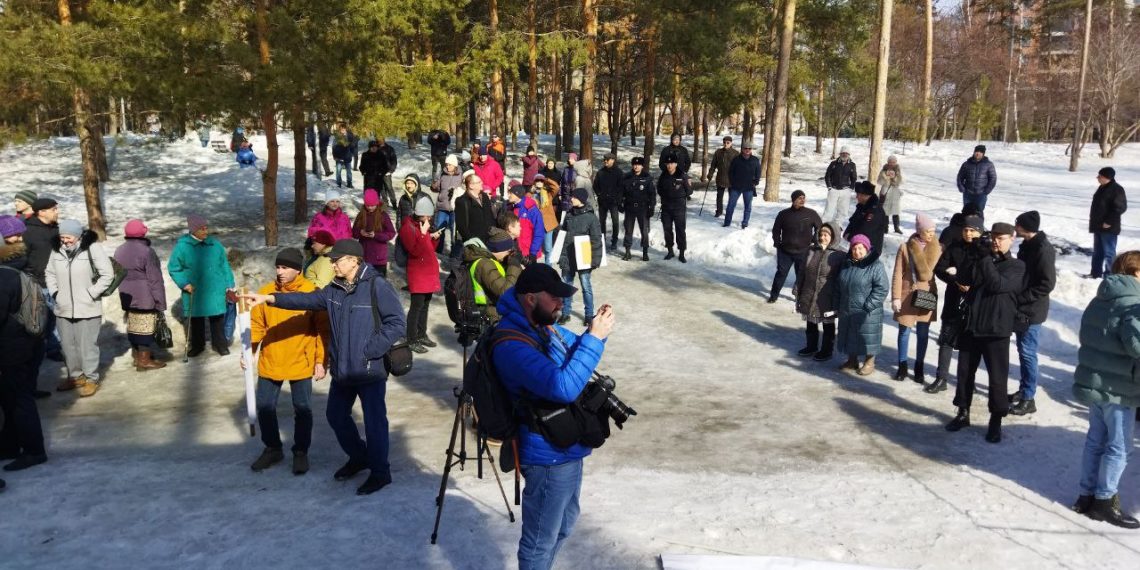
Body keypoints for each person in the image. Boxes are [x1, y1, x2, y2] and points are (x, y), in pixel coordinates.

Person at [241, 240, 405, 496]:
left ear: (354, 261)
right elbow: (305, 299)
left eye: (336, 260)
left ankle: (380, 472)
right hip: (342, 370)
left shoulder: (377, 285)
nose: (332, 264)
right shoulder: (335, 288)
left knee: (374, 423)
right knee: (336, 416)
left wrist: (370, 350)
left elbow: (396, 323)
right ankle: (359, 456)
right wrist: (268, 298)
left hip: (368, 370)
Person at [491, 264, 615, 570]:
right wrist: (594, 340)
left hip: (565, 447)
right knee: (539, 540)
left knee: (564, 524)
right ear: (531, 298)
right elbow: (562, 388)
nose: (562, 303)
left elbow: (576, 348)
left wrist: (594, 330)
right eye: (555, 297)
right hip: (546, 455)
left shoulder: (541, 325)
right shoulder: (511, 344)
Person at [1070, 250, 1140, 529]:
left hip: (1096, 385)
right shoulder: (1132, 303)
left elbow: (1087, 334)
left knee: (1095, 441)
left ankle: (1085, 495)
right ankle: (1104, 500)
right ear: (1135, 273)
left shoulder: (1100, 298)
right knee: (1120, 448)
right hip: (1119, 388)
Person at [246, 248, 328, 476]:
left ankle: (301, 452)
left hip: (300, 360)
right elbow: (256, 326)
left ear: (298, 270)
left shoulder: (312, 294)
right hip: (271, 358)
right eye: (278, 267)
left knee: (303, 409)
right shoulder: (265, 293)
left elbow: (323, 330)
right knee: (264, 407)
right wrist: (249, 351)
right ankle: (272, 448)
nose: (280, 272)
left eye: (285, 268)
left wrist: (321, 360)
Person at [945, 222, 1025, 444]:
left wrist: (984, 260)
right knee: (964, 373)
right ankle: (962, 412)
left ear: (1012, 239)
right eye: (994, 238)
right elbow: (965, 280)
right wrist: (973, 255)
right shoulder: (982, 258)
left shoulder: (1016, 266)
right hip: (972, 325)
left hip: (996, 329)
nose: (996, 242)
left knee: (997, 379)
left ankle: (996, 420)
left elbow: (996, 284)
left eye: (1001, 238)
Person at [0, 214, 48, 472]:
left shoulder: (3, 276)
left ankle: (34, 450)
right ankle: (9, 444)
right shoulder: (18, 268)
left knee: (19, 399)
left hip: (13, 348)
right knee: (9, 398)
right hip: (28, 343)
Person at [46, 219, 114, 397]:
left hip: (88, 307)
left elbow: (108, 274)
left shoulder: (93, 248)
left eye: (68, 237)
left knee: (87, 346)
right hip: (63, 306)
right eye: (62, 237)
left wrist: (91, 293)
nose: (65, 241)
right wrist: (55, 293)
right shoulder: (56, 250)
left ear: (78, 235)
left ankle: (91, 378)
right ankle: (75, 376)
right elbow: (49, 273)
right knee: (68, 345)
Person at [927, 214, 986, 394]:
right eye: (966, 230)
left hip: (975, 302)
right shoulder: (955, 247)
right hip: (954, 298)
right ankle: (941, 377)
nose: (968, 234)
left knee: (970, 345)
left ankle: (968, 380)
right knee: (946, 340)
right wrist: (954, 280)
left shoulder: (985, 250)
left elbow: (989, 275)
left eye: (972, 231)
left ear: (979, 232)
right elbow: (939, 268)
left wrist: (974, 286)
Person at [168, 214, 236, 358]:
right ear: (193, 230)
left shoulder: (215, 245)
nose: (205, 232)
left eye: (206, 228)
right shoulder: (182, 247)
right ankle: (198, 346)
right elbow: (174, 268)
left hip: (215, 288)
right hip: (195, 289)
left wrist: (229, 284)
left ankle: (220, 345)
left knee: (217, 318)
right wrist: (184, 283)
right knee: (196, 319)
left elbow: (225, 265)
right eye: (201, 229)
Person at [1010, 210, 1055, 416]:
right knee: (1023, 351)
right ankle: (1024, 390)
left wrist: (1023, 297)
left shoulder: (1042, 250)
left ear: (1025, 227)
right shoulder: (1028, 245)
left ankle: (1029, 398)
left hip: (1032, 309)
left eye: (1017, 224)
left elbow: (1047, 283)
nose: (1015, 227)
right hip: (1023, 307)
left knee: (1028, 353)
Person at [890, 213, 941, 384]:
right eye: (928, 231)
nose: (931, 234)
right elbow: (898, 273)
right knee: (904, 331)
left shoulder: (937, 248)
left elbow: (943, 268)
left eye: (933, 231)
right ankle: (902, 365)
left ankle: (919, 366)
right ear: (919, 230)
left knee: (923, 333)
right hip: (907, 294)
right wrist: (896, 297)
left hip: (926, 294)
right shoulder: (905, 247)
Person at [114, 219, 168, 372]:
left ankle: (137, 357)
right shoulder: (146, 251)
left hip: (126, 294)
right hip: (145, 295)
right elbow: (155, 278)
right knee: (145, 326)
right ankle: (144, 360)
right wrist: (160, 302)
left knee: (133, 325)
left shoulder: (119, 250)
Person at [835, 234, 888, 376]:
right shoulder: (847, 264)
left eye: (860, 248)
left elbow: (882, 288)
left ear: (867, 248)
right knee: (850, 334)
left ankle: (869, 362)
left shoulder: (875, 266)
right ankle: (852, 360)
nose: (857, 251)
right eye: (854, 248)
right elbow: (839, 285)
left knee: (868, 337)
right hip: (848, 307)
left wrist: (868, 305)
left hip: (867, 311)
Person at [400, 197, 444, 353]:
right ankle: (411, 339)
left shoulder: (422, 226)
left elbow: (428, 248)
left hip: (428, 271)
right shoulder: (407, 228)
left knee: (425, 305)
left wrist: (434, 238)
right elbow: (415, 251)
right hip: (418, 273)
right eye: (427, 216)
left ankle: (421, 334)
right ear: (420, 214)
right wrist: (425, 234)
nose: (430, 218)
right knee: (416, 307)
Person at [795, 222, 844, 361]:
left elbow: (842, 277)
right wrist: (798, 287)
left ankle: (826, 350)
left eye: (826, 235)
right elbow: (802, 271)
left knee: (827, 323)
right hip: (809, 291)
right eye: (821, 234)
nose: (823, 237)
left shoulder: (840, 254)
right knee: (810, 320)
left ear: (833, 236)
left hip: (827, 295)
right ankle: (811, 346)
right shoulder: (811, 250)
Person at [22, 198, 61, 361]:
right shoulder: (27, 231)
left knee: (57, 317)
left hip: (57, 282)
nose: (57, 211)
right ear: (42, 212)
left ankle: (55, 349)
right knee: (41, 320)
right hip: (37, 283)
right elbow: (23, 257)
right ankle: (45, 349)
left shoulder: (55, 229)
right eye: (54, 209)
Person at [558, 188, 603, 326]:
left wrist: (595, 260)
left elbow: (596, 240)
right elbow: (562, 236)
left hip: (583, 258)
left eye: (574, 197)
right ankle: (565, 313)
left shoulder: (591, 218)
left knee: (586, 287)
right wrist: (560, 255)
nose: (571, 199)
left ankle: (589, 315)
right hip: (568, 256)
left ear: (581, 199)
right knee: (566, 286)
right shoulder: (569, 215)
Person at [769, 190, 823, 304]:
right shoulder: (783, 214)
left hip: (803, 251)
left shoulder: (811, 214)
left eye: (803, 198)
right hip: (785, 251)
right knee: (781, 273)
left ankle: (799, 298)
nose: (802, 200)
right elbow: (776, 230)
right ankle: (773, 295)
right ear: (793, 200)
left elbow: (820, 227)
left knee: (801, 275)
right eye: (799, 198)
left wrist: (815, 239)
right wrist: (777, 243)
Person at [462, 227, 523, 322]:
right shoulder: (485, 264)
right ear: (498, 250)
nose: (509, 254)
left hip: (487, 312)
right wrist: (513, 265)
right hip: (487, 316)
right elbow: (505, 292)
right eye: (508, 251)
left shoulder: (489, 260)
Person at [1088, 167, 1127, 279]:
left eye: (1099, 176)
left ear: (1106, 177)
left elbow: (1120, 208)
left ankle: (1110, 275)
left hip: (1109, 227)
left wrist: (1109, 222)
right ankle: (1095, 274)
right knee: (1097, 252)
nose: (1097, 178)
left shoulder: (1117, 189)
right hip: (1098, 226)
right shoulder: (1102, 188)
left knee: (1109, 253)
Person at [353, 189, 397, 278]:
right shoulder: (361, 215)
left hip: (379, 258)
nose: (370, 208)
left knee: (379, 283)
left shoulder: (383, 215)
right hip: (364, 256)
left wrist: (376, 235)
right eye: (368, 205)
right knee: (364, 283)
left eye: (372, 205)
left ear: (377, 203)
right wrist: (360, 232)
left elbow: (391, 233)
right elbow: (354, 232)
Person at [657, 155, 691, 262]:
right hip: (666, 207)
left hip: (679, 208)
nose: (669, 166)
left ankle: (681, 253)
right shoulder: (663, 176)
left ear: (676, 164)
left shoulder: (682, 175)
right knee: (667, 230)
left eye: (671, 163)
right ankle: (670, 251)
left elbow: (689, 191)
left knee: (680, 230)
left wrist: (679, 194)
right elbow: (659, 189)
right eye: (668, 164)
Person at [621, 157, 654, 262]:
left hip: (643, 208)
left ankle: (645, 252)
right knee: (628, 230)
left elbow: (652, 194)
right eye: (634, 164)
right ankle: (627, 251)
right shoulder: (626, 177)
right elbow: (620, 192)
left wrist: (651, 207)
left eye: (638, 165)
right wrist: (620, 203)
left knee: (644, 230)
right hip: (629, 207)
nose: (636, 166)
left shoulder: (647, 178)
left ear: (642, 166)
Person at [724, 141, 762, 229]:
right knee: (730, 206)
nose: (747, 150)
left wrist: (756, 182)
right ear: (742, 149)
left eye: (749, 148)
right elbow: (730, 172)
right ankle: (727, 223)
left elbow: (758, 172)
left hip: (749, 187)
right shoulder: (736, 159)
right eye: (745, 148)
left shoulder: (755, 160)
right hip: (736, 187)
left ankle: (745, 223)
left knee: (748, 207)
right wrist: (732, 182)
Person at [844, 181, 889, 255]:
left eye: (858, 194)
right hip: (857, 246)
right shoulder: (862, 206)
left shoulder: (875, 210)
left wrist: (850, 236)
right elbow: (853, 221)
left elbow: (866, 230)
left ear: (865, 195)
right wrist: (847, 233)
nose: (856, 197)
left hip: (868, 249)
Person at [433, 154, 464, 257]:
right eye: (446, 164)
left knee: (454, 231)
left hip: (455, 207)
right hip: (442, 206)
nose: (447, 166)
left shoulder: (461, 175)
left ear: (455, 165)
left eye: (449, 164)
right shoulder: (442, 174)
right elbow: (436, 188)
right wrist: (434, 184)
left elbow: (464, 188)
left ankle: (454, 252)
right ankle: (438, 250)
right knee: (439, 229)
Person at [455, 172, 497, 246]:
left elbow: (490, 216)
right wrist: (471, 241)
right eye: (479, 182)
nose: (482, 183)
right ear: (471, 185)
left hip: (489, 240)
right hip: (474, 243)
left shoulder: (485, 197)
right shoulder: (462, 201)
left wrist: (493, 233)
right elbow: (461, 226)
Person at [508, 182, 546, 264]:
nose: (508, 196)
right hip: (515, 251)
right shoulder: (511, 208)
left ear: (517, 195)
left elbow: (539, 233)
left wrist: (533, 252)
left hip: (528, 253)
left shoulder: (532, 210)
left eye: (511, 193)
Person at [593, 153, 624, 250]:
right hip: (603, 201)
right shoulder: (600, 172)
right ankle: (602, 240)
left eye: (607, 159)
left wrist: (618, 199)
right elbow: (595, 185)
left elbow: (622, 187)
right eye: (604, 159)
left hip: (614, 202)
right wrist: (599, 194)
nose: (605, 161)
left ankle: (614, 241)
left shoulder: (619, 173)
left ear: (613, 160)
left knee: (615, 222)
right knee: (602, 222)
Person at [956, 144, 997, 214]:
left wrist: (987, 191)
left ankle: (979, 225)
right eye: (976, 152)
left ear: (983, 154)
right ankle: (966, 225)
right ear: (974, 152)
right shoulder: (966, 164)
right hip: (968, 193)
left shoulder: (989, 164)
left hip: (981, 194)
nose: (978, 153)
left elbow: (993, 178)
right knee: (966, 212)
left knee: (979, 212)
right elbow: (960, 177)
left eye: (980, 152)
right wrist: (962, 188)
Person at [705, 136, 739, 218]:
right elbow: (713, 165)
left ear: (731, 143)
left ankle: (730, 211)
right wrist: (710, 174)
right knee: (719, 196)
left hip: (732, 179)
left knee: (732, 197)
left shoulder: (736, 153)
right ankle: (719, 211)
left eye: (728, 143)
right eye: (724, 142)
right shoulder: (718, 152)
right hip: (721, 177)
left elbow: (739, 166)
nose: (726, 144)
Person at [823, 147, 858, 223]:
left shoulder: (852, 165)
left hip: (845, 190)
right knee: (829, 210)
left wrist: (850, 189)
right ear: (840, 154)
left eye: (846, 153)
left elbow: (854, 178)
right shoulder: (833, 164)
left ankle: (838, 227)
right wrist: (829, 187)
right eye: (843, 153)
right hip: (833, 190)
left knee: (842, 211)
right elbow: (827, 176)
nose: (844, 155)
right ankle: (824, 227)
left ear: (849, 154)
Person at [535, 175, 560, 263]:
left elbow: (556, 187)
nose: (539, 182)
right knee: (535, 249)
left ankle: (548, 268)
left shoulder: (548, 194)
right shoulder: (531, 194)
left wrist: (546, 179)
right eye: (537, 180)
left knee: (548, 249)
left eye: (541, 181)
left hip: (547, 225)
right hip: (536, 225)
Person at [877, 155, 904, 234]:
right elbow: (879, 182)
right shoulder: (883, 171)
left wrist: (895, 178)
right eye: (890, 162)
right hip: (886, 192)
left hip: (895, 193)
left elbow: (902, 181)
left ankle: (897, 228)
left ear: (896, 163)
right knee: (885, 211)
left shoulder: (899, 170)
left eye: (893, 162)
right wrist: (886, 178)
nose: (892, 164)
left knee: (896, 211)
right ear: (887, 162)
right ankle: (885, 228)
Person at [377, 139, 399, 209]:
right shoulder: (375, 148)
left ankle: (394, 203)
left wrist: (391, 170)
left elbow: (394, 160)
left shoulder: (389, 149)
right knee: (381, 189)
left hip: (387, 172)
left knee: (389, 188)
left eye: (380, 138)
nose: (379, 140)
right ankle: (385, 202)